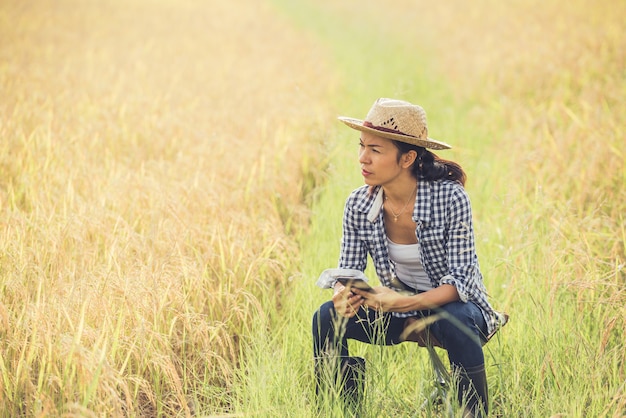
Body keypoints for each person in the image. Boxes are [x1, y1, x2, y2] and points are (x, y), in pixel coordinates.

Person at [312, 98, 501, 417]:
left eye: (376, 149)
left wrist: (400, 302)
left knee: (458, 319)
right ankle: (342, 409)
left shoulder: (450, 198)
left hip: (452, 310)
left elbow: (461, 284)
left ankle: (473, 412)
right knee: (326, 316)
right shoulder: (358, 203)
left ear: (408, 157)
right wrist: (343, 295)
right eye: (362, 146)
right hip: (393, 310)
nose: (362, 158)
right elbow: (349, 270)